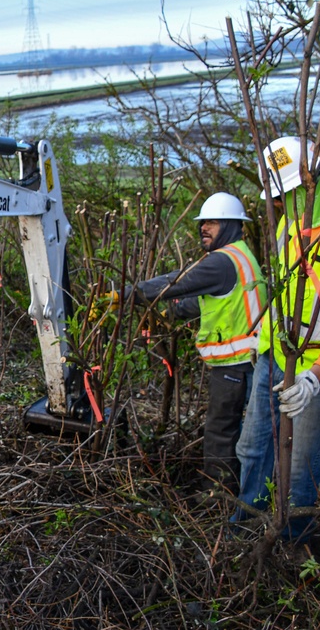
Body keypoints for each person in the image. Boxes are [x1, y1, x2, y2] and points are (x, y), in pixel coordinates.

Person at [234, 136, 320, 541]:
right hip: (277, 354)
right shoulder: (289, 223)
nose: (277, 204)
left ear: (314, 180)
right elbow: (288, 294)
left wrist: (315, 375)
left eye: (284, 194)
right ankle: (245, 531)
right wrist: (263, 340)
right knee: (252, 449)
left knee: (298, 469)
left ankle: (288, 550)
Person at [124, 192, 265, 493]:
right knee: (244, 432)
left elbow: (176, 282)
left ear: (231, 225)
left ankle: (217, 496)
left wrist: (124, 295)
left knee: (220, 431)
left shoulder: (222, 261)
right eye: (203, 222)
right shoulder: (240, 256)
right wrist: (167, 313)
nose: (204, 228)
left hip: (236, 363)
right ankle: (241, 491)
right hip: (249, 360)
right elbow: (210, 302)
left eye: (212, 223)